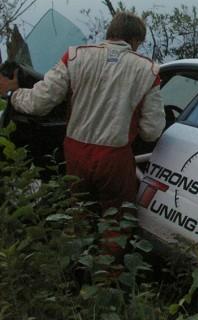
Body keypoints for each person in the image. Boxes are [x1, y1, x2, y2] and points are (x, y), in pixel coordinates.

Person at [0, 11, 166, 211]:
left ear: (110, 32)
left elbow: (39, 102)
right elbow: (152, 130)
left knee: (79, 211)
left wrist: (14, 95)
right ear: (135, 40)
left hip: (75, 151)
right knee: (116, 220)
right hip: (114, 157)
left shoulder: (74, 56)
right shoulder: (148, 70)